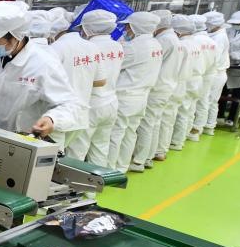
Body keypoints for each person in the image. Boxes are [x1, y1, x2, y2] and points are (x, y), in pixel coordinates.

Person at [0, 1, 82, 138]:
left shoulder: (43, 64)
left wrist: (52, 119)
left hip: (19, 141)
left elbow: (70, 104)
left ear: (15, 37)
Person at [106, 12, 163, 171]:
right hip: (141, 96)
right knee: (130, 133)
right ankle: (122, 167)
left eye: (128, 26)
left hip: (126, 97)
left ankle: (110, 169)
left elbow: (114, 65)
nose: (126, 29)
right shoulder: (156, 44)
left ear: (137, 27)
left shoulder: (134, 47)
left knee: (116, 134)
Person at [67, 10, 123, 165]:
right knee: (101, 146)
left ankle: (74, 180)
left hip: (91, 104)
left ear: (87, 28)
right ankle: (95, 180)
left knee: (78, 148)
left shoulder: (88, 47)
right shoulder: (118, 46)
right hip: (111, 102)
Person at [131, 11, 182, 171]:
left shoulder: (164, 40)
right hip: (166, 86)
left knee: (147, 124)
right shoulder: (171, 38)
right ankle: (148, 156)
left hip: (157, 88)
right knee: (154, 123)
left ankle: (139, 160)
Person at [48, 15, 97, 151]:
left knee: (54, 157)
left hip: (58, 115)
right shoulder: (92, 47)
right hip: (81, 112)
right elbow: (99, 80)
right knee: (76, 156)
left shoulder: (56, 48)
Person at [168, 15, 201, 152]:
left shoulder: (182, 45)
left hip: (183, 81)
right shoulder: (195, 43)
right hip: (195, 80)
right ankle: (182, 138)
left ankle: (176, 142)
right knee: (188, 111)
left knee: (179, 113)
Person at [188, 14, 217, 141]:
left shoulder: (194, 40)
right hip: (208, 74)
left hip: (194, 75)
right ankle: (197, 129)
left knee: (189, 103)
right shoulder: (212, 41)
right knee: (203, 100)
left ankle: (188, 131)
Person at [202, 12, 230, 135]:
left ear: (214, 24)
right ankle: (208, 126)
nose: (207, 26)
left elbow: (214, 58)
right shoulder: (215, 34)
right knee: (211, 101)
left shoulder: (219, 37)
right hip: (215, 73)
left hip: (216, 73)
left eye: (208, 24)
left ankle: (207, 126)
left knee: (209, 101)